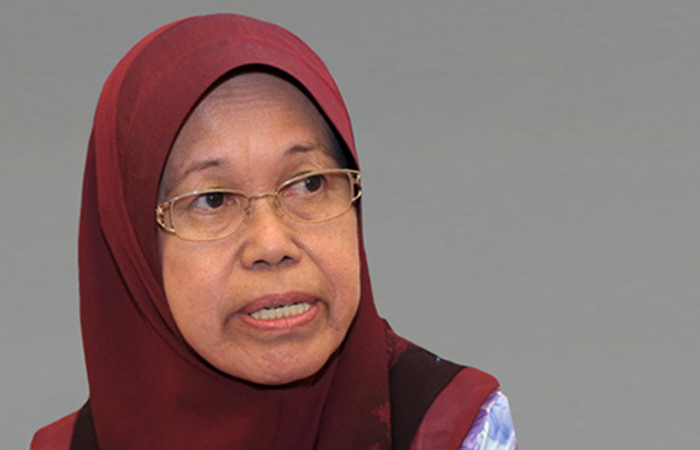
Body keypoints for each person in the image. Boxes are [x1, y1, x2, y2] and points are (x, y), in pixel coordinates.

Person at [30, 14, 517, 450]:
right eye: (212, 199)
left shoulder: (450, 428)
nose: (271, 244)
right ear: (134, 248)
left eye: (309, 184)